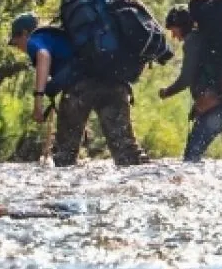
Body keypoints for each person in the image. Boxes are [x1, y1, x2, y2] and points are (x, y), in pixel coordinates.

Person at [8, 12, 150, 167]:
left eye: (16, 43)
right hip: (113, 82)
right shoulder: (69, 36)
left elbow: (43, 55)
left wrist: (38, 99)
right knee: (127, 152)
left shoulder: (35, 39)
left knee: (65, 155)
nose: (19, 48)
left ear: (24, 33)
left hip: (80, 89)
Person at [159, 5, 222, 162]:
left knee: (191, 159)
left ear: (182, 26)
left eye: (173, 30)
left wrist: (167, 92)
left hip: (218, 105)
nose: (173, 36)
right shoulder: (215, 38)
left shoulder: (193, 41)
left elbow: (186, 78)